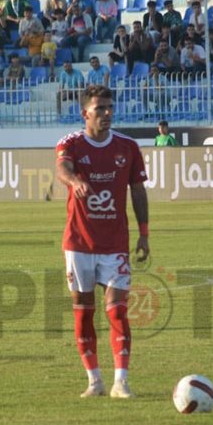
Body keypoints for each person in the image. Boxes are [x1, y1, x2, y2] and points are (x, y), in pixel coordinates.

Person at [56, 85, 150, 399]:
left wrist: (144, 233)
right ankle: (94, 380)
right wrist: (75, 181)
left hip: (115, 244)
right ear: (85, 113)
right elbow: (62, 168)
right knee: (83, 311)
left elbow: (138, 191)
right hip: (79, 242)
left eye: (110, 108)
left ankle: (120, 381)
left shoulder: (128, 147)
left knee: (117, 311)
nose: (107, 114)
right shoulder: (71, 143)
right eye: (100, 109)